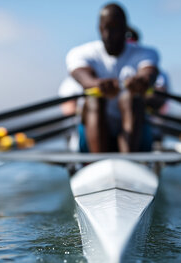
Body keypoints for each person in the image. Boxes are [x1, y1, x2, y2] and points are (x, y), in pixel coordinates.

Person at [65, 3, 159, 153]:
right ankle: (98, 162)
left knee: (130, 98)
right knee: (95, 98)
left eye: (114, 28)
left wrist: (141, 82)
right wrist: (97, 84)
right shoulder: (80, 53)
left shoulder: (146, 53)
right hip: (92, 130)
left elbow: (149, 72)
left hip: (135, 132)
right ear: (99, 28)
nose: (108, 35)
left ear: (125, 29)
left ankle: (129, 160)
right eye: (104, 28)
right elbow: (82, 77)